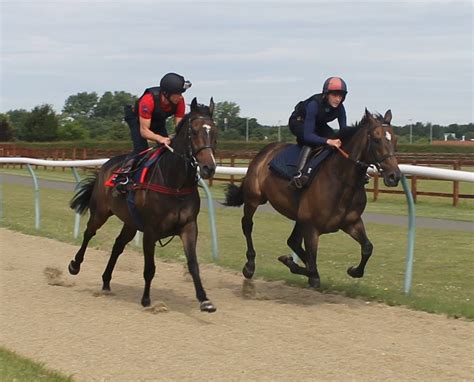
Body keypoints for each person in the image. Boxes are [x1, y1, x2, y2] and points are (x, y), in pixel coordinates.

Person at [116, 72, 192, 188]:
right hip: (137, 120)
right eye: (177, 94)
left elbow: (179, 127)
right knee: (141, 150)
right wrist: (160, 138)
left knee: (167, 149)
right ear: (166, 94)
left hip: (157, 119)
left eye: (181, 93)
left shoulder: (180, 102)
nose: (181, 97)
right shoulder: (148, 100)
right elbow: (144, 131)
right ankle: (123, 177)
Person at [288, 76, 348, 189]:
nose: (338, 99)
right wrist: (328, 141)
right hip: (299, 121)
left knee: (336, 141)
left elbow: (343, 132)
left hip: (317, 123)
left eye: (341, 96)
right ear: (326, 94)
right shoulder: (314, 105)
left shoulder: (341, 108)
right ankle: (299, 174)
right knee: (312, 141)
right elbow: (308, 135)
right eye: (334, 95)